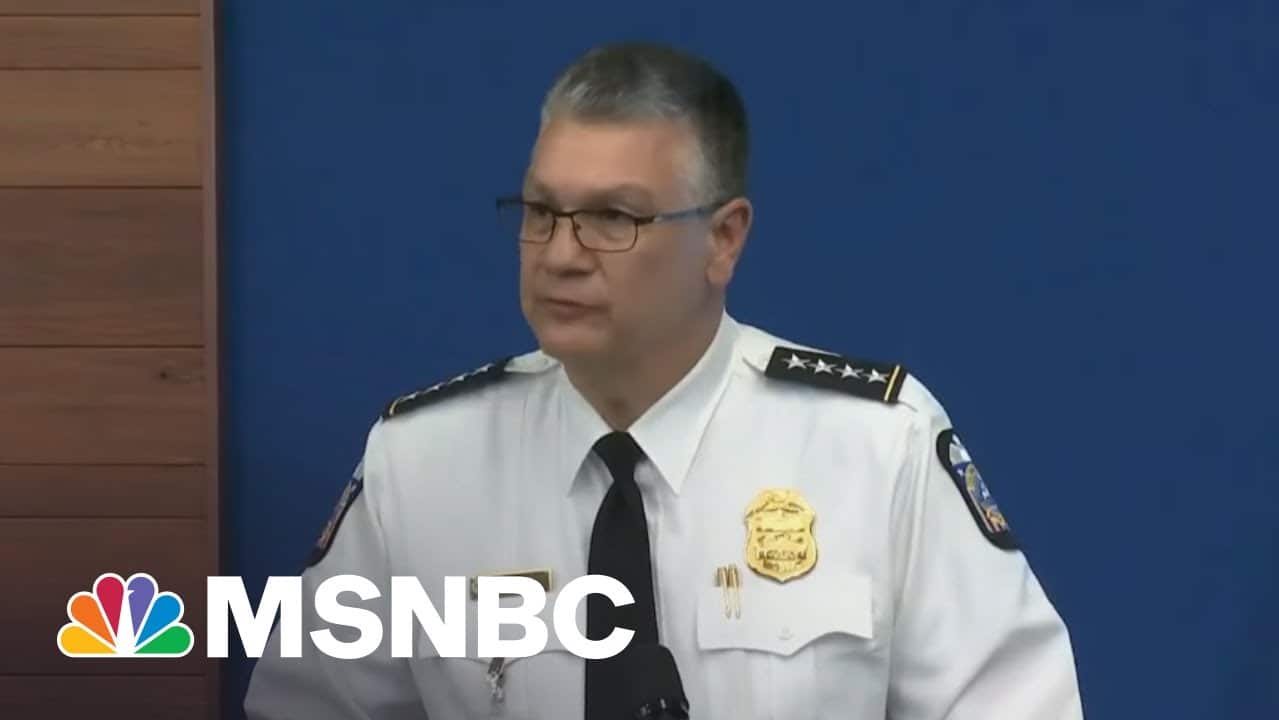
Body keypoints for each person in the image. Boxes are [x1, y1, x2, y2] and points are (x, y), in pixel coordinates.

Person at [244, 41, 1083, 719]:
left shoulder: (873, 448)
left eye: (613, 217)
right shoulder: (422, 463)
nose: (561, 254)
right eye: (541, 213)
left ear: (724, 239)